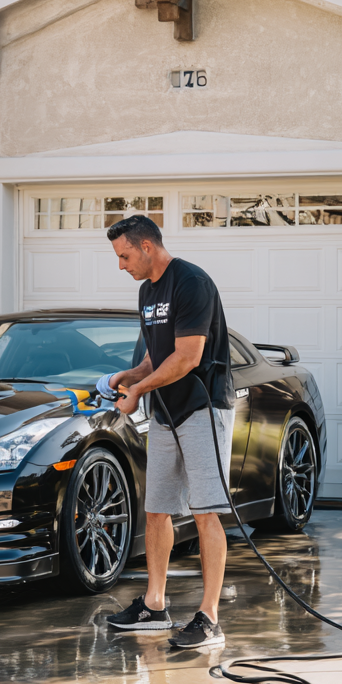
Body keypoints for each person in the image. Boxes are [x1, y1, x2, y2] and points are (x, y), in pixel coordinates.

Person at [104, 215, 235, 649]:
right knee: (157, 509)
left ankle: (209, 617)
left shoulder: (191, 282)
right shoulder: (147, 292)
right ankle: (154, 606)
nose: (121, 266)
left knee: (204, 512)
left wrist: (139, 390)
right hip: (165, 414)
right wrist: (128, 375)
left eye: (124, 255)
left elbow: (188, 357)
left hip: (202, 407)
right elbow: (156, 359)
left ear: (146, 246)